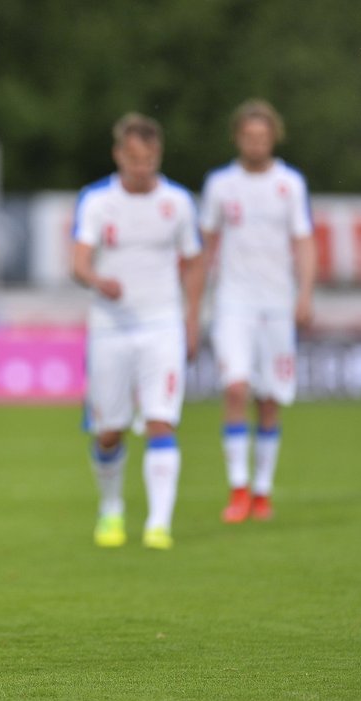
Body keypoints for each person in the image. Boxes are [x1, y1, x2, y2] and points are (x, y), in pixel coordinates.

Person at [72, 113, 205, 551]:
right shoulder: (96, 201)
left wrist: (191, 319)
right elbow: (79, 262)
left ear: (157, 156)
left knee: (160, 421)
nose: (141, 167)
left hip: (161, 326)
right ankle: (111, 509)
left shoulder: (179, 203)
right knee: (109, 430)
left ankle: (158, 524)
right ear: (118, 156)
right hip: (110, 330)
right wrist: (97, 280)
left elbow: (193, 262)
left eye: (148, 159)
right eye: (133, 159)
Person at [199, 99, 316, 523]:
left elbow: (304, 242)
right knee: (235, 388)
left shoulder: (290, 184)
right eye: (248, 136)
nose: (255, 143)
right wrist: (193, 305)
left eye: (262, 136)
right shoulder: (220, 185)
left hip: (277, 305)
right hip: (233, 302)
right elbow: (206, 246)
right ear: (238, 138)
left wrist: (304, 294)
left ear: (273, 138)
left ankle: (263, 491)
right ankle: (238, 488)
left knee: (269, 399)